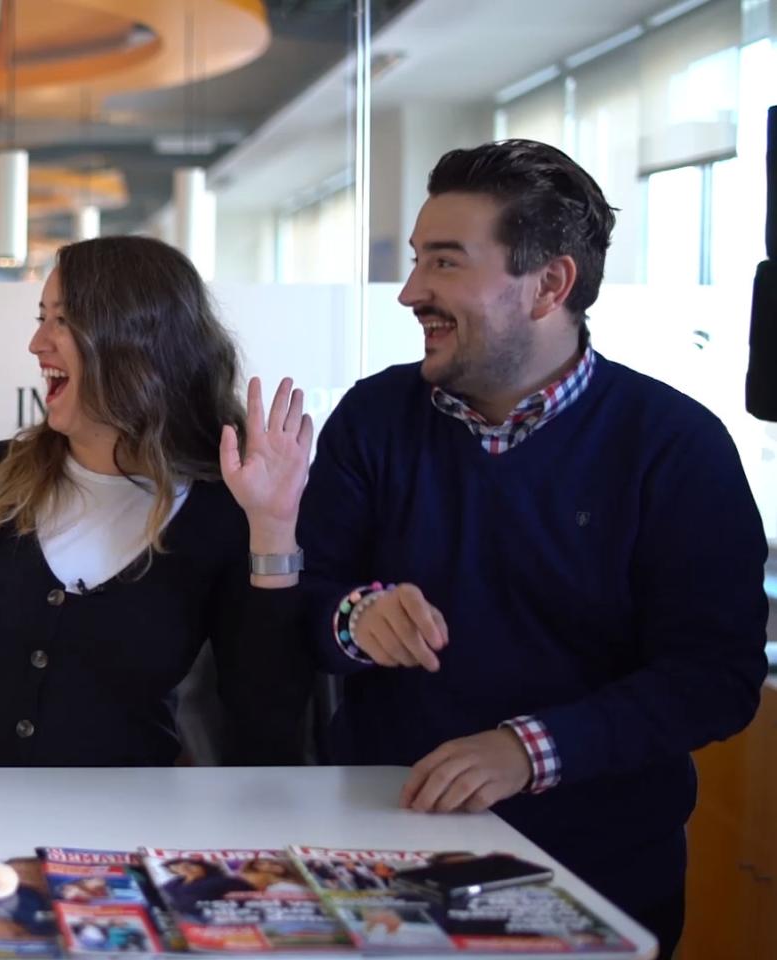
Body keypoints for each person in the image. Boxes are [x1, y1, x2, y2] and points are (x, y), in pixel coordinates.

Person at [295, 139, 768, 959]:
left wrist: (529, 750)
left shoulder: (675, 446)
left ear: (551, 284)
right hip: (378, 862)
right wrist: (353, 618)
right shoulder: (373, 419)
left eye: (444, 263)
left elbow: (716, 676)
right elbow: (299, 601)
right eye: (416, 261)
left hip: (594, 879)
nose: (412, 293)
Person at [0, 235, 316, 766]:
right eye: (40, 317)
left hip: (119, 837)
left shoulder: (221, 509)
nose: (37, 343)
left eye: (60, 321)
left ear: (133, 339)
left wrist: (274, 530)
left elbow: (266, 721)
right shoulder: (0, 475)